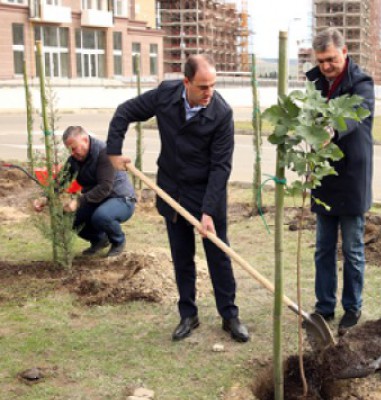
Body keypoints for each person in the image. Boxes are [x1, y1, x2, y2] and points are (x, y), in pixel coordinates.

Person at [105, 55, 249, 343]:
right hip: (172, 189)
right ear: (186, 82)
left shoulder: (221, 113)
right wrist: (113, 151)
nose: (210, 92)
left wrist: (208, 211)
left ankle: (229, 315)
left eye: (213, 86)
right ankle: (188, 314)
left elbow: (221, 167)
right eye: (203, 87)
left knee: (218, 255)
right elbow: (124, 112)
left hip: (207, 190)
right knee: (181, 255)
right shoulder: (166, 95)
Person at [306, 27, 375, 336]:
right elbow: (308, 117)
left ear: (344, 52)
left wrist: (329, 131)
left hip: (351, 177)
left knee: (352, 249)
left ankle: (352, 307)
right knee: (322, 248)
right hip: (323, 176)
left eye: (331, 59)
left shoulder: (362, 83)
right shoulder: (315, 82)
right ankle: (324, 307)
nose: (326, 66)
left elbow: (354, 115)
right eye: (321, 61)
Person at [35, 126, 136, 257]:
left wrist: (78, 201)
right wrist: (45, 198)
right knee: (68, 217)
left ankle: (118, 241)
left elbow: (105, 187)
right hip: (97, 200)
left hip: (121, 199)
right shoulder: (75, 159)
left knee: (101, 216)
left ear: (85, 140)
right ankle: (99, 239)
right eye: (69, 150)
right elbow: (61, 182)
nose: (72, 153)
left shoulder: (104, 153)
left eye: (74, 148)